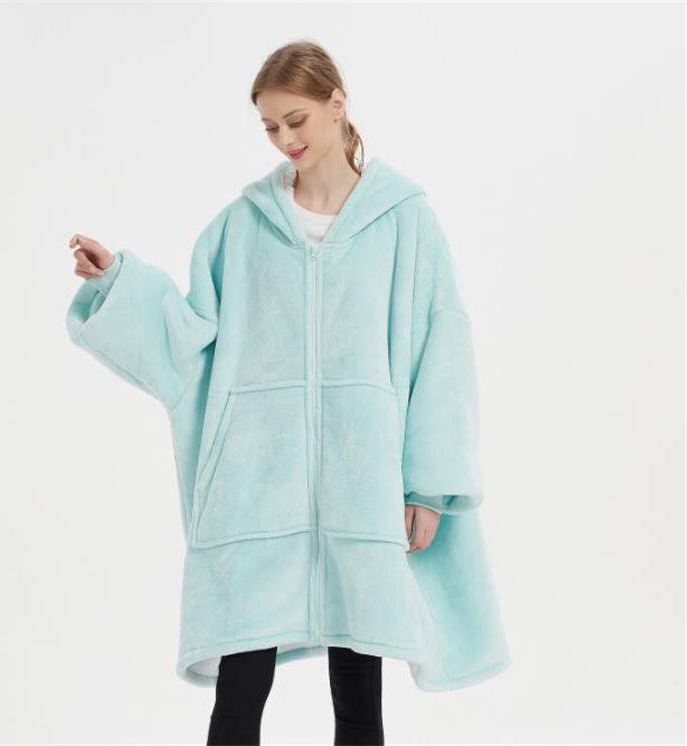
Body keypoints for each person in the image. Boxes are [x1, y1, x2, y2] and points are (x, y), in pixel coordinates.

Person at [66, 40, 510, 746]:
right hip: (256, 492)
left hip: (362, 490)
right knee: (239, 693)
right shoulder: (240, 227)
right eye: (270, 127)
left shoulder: (405, 221)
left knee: (359, 693)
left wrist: (428, 487)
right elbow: (189, 342)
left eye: (296, 120)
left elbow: (442, 353)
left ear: (337, 105)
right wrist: (117, 281)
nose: (284, 140)